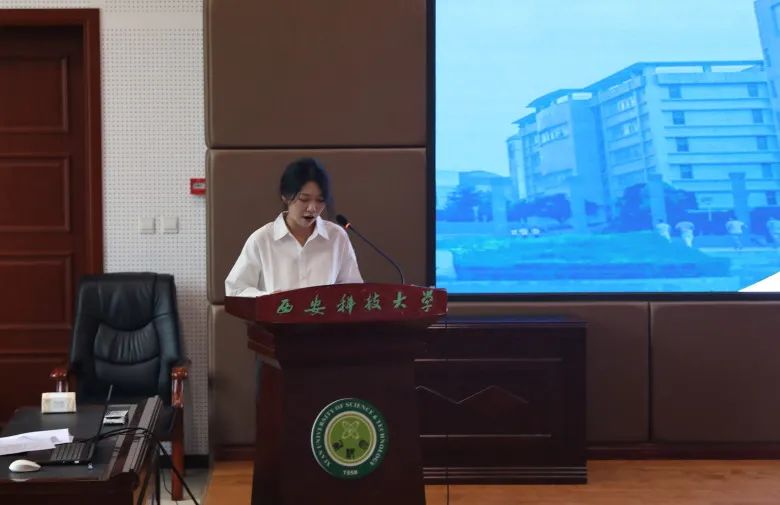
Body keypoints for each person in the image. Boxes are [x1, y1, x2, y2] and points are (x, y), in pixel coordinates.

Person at [225, 157, 363, 297]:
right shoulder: (261, 240)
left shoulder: (337, 237)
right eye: (304, 199)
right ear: (285, 196)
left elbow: (354, 291)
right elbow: (235, 290)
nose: (312, 208)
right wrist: (268, 298)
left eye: (320, 200)